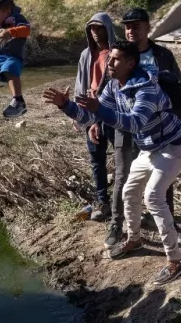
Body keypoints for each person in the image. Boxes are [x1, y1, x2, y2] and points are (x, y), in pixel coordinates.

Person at [43, 41, 181, 285]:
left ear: (131, 63)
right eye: (109, 58)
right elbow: (90, 116)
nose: (109, 63)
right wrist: (65, 105)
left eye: (115, 59)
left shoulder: (147, 89)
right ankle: (134, 240)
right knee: (129, 191)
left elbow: (134, 124)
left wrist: (100, 110)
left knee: (153, 197)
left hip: (173, 148)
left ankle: (176, 261)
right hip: (149, 148)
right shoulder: (113, 86)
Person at [99, 8, 181, 248]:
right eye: (127, 26)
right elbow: (105, 93)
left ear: (148, 27)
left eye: (136, 26)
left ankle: (168, 224)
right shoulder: (115, 56)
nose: (131, 30)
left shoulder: (162, 55)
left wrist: (172, 118)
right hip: (124, 127)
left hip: (157, 130)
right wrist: (95, 121)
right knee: (123, 177)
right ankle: (117, 226)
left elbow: (177, 88)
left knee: (161, 181)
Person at [73, 13, 116, 221]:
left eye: (99, 28)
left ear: (107, 28)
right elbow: (81, 84)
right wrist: (83, 117)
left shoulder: (117, 54)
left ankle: (123, 201)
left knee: (124, 158)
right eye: (92, 29)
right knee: (96, 159)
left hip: (115, 112)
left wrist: (101, 118)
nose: (95, 33)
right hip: (91, 108)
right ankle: (102, 201)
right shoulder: (86, 55)